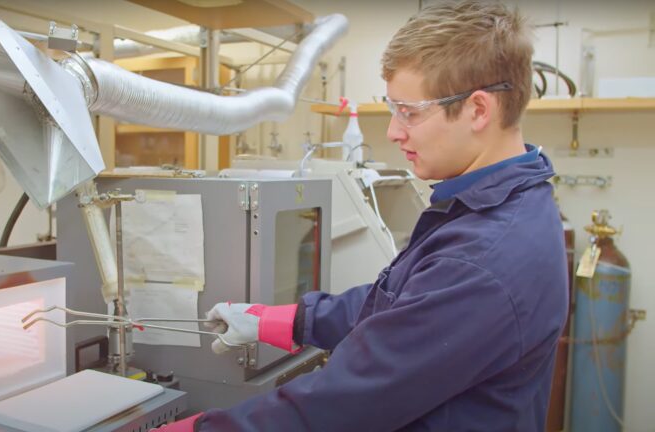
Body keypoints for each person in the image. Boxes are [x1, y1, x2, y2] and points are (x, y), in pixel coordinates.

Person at [156, 1, 568, 430]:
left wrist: (198, 428)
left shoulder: (483, 256)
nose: (393, 131)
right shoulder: (506, 200)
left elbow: (343, 403)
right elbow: (404, 307)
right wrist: (283, 320)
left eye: (409, 111)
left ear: (478, 110)